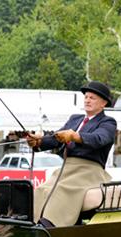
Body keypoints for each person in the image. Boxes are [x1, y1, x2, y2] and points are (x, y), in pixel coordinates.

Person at [26, 81, 116, 227]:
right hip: (67, 168)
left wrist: (75, 136)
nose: (87, 100)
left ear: (103, 103)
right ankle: (31, 222)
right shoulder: (75, 119)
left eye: (92, 98)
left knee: (62, 189)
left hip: (89, 171)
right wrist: (38, 142)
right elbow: (57, 139)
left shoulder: (108, 122)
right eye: (86, 97)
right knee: (43, 189)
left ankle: (50, 224)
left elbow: (99, 139)